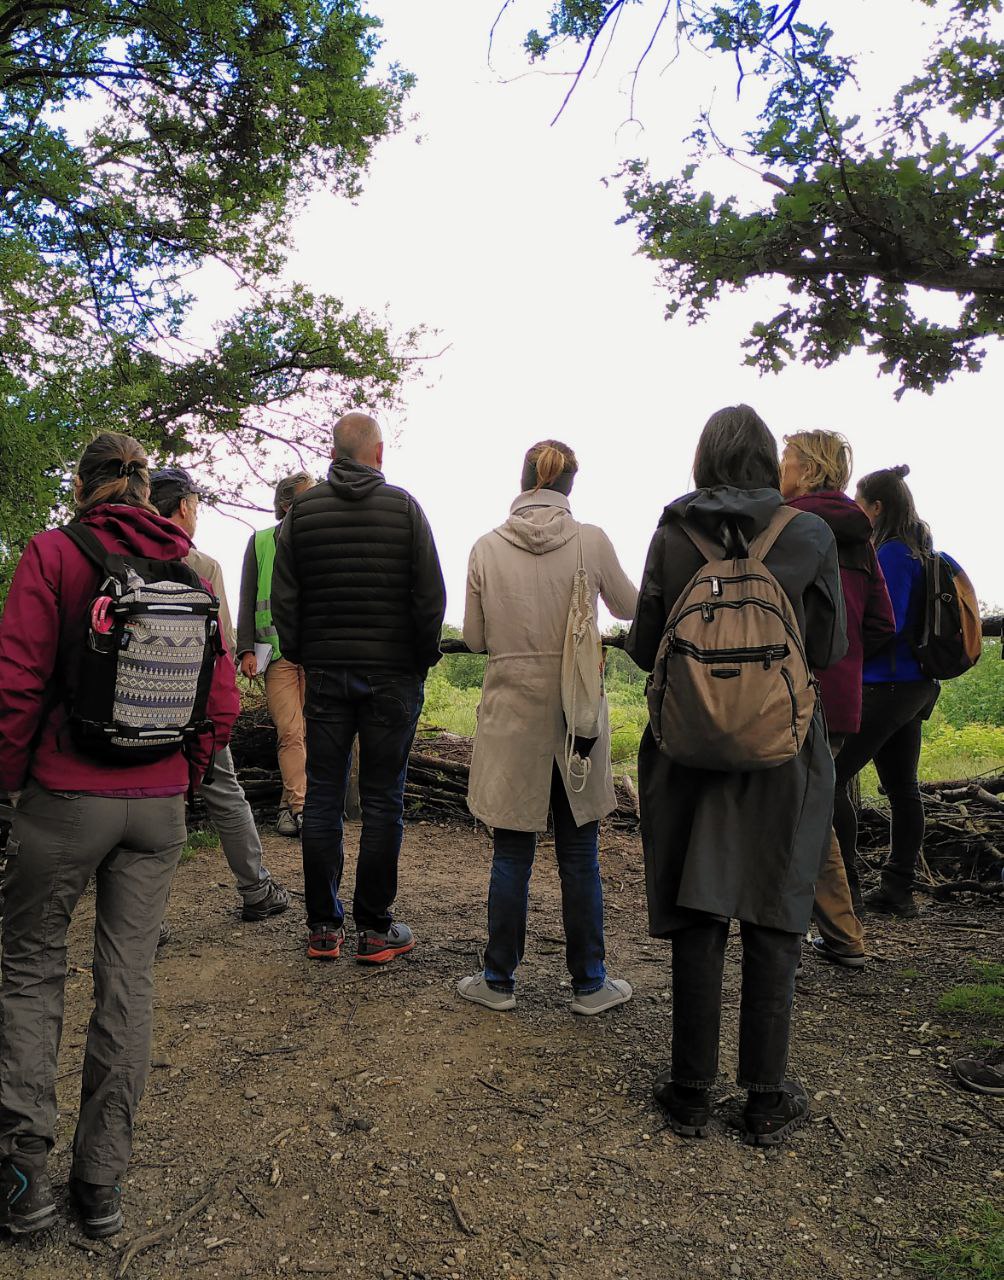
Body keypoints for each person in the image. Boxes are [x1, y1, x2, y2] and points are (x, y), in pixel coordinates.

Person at [0, 433, 239, 1238]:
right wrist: (186, 772)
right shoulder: (192, 570)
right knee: (127, 983)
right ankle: (100, 1187)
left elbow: (16, 682)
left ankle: (24, 1180)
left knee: (32, 967)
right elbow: (222, 701)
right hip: (159, 802)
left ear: (83, 486)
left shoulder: (53, 554)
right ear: (145, 492)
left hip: (65, 796)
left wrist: (9, 785)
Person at [627, 405, 846, 1146]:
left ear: (704, 459)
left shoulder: (671, 531)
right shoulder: (808, 532)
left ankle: (689, 1091)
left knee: (698, 908)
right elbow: (830, 642)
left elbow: (645, 646)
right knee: (776, 905)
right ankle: (764, 1099)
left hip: (686, 746)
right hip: (784, 749)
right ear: (764, 463)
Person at [456, 441, 639, 1016]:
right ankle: (589, 983)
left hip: (512, 711)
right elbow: (631, 605)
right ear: (569, 488)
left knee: (511, 855)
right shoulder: (592, 539)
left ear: (523, 482)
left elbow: (477, 639)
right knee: (579, 854)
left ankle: (498, 980)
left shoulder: (485, 547)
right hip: (576, 713)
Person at [271, 412, 446, 962]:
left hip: (324, 673)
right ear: (378, 453)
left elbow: (285, 601)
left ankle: (324, 927)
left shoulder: (301, 514)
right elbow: (429, 598)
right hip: (393, 676)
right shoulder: (404, 508)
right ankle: (374, 928)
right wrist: (418, 660)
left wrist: (303, 654)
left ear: (334, 453)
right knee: (383, 798)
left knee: (323, 795)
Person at [149, 467, 289, 922]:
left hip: (134, 709)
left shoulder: (115, 558)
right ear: (185, 508)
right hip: (194, 709)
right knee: (225, 793)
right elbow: (220, 646)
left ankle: (146, 918)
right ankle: (256, 889)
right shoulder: (202, 565)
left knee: (146, 801)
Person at [780, 430, 896, 960]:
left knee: (795, 812)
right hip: (841, 695)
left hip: (787, 691)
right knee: (811, 809)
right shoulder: (861, 538)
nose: (779, 466)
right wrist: (844, 663)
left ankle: (795, 938)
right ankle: (840, 936)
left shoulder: (788, 528)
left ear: (807, 470)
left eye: (786, 458)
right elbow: (881, 622)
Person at [833, 465, 945, 918]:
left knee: (833, 779)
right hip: (915, 685)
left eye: (860, 503)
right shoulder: (921, 549)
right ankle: (897, 890)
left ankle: (848, 898)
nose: (857, 511)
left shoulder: (893, 554)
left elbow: (888, 624)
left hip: (887, 684)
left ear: (876, 508)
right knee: (903, 787)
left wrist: (847, 649)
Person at [236, 472, 314, 837]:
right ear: (286, 504)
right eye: (307, 497)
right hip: (277, 654)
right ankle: (299, 808)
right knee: (290, 732)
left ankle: (291, 806)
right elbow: (247, 598)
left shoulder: (319, 538)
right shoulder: (260, 541)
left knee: (311, 732)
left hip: (316, 653)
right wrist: (246, 650)